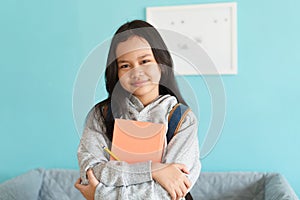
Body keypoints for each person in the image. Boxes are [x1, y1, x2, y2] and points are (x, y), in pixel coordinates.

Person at [74, 19, 201, 200]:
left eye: (145, 61)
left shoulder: (182, 119)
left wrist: (101, 195)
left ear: (161, 63)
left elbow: (170, 192)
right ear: (115, 72)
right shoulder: (100, 115)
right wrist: (152, 170)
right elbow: (91, 172)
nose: (136, 72)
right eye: (125, 65)